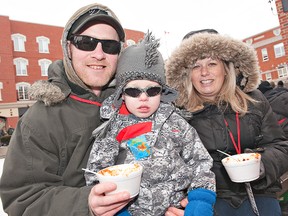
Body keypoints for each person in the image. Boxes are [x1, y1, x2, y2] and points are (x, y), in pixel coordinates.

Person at [0, 3, 137, 216]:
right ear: (68, 48)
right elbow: (22, 199)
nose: (99, 54)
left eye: (110, 46)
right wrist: (86, 204)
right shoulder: (41, 119)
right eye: (86, 43)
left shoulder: (138, 102)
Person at [84, 31, 216, 216]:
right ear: (121, 94)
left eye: (152, 90)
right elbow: (97, 173)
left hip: (175, 209)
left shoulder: (175, 122)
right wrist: (115, 211)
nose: (144, 98)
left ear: (162, 92)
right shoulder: (111, 128)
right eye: (133, 92)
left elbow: (200, 162)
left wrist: (200, 201)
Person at [165, 29, 288, 216]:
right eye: (196, 66)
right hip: (209, 201)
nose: (204, 72)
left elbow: (280, 146)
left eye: (212, 63)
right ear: (187, 74)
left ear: (226, 68)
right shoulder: (177, 113)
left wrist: (261, 164)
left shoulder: (254, 100)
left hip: (260, 193)